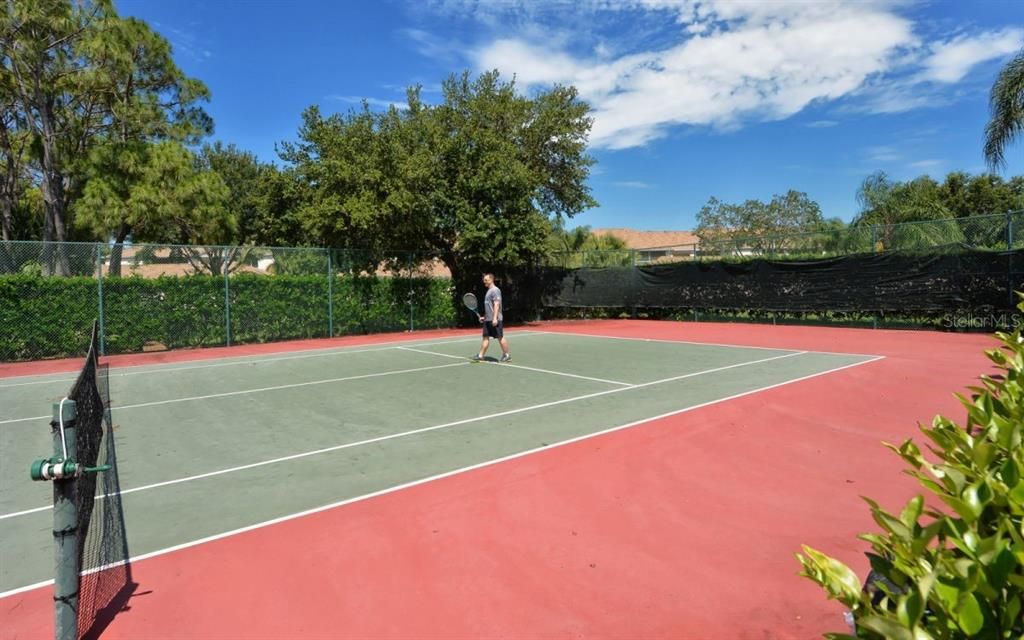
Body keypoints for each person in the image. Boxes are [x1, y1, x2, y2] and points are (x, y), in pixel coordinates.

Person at [473, 273, 511, 362]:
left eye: (486, 280)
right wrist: (484, 317)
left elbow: (496, 304)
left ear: (491, 280)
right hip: (488, 320)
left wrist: (494, 318)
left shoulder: (495, 290)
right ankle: (480, 355)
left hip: (496, 319)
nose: (484, 281)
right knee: (485, 337)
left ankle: (507, 355)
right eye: (484, 280)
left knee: (500, 337)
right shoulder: (488, 291)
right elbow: (489, 307)